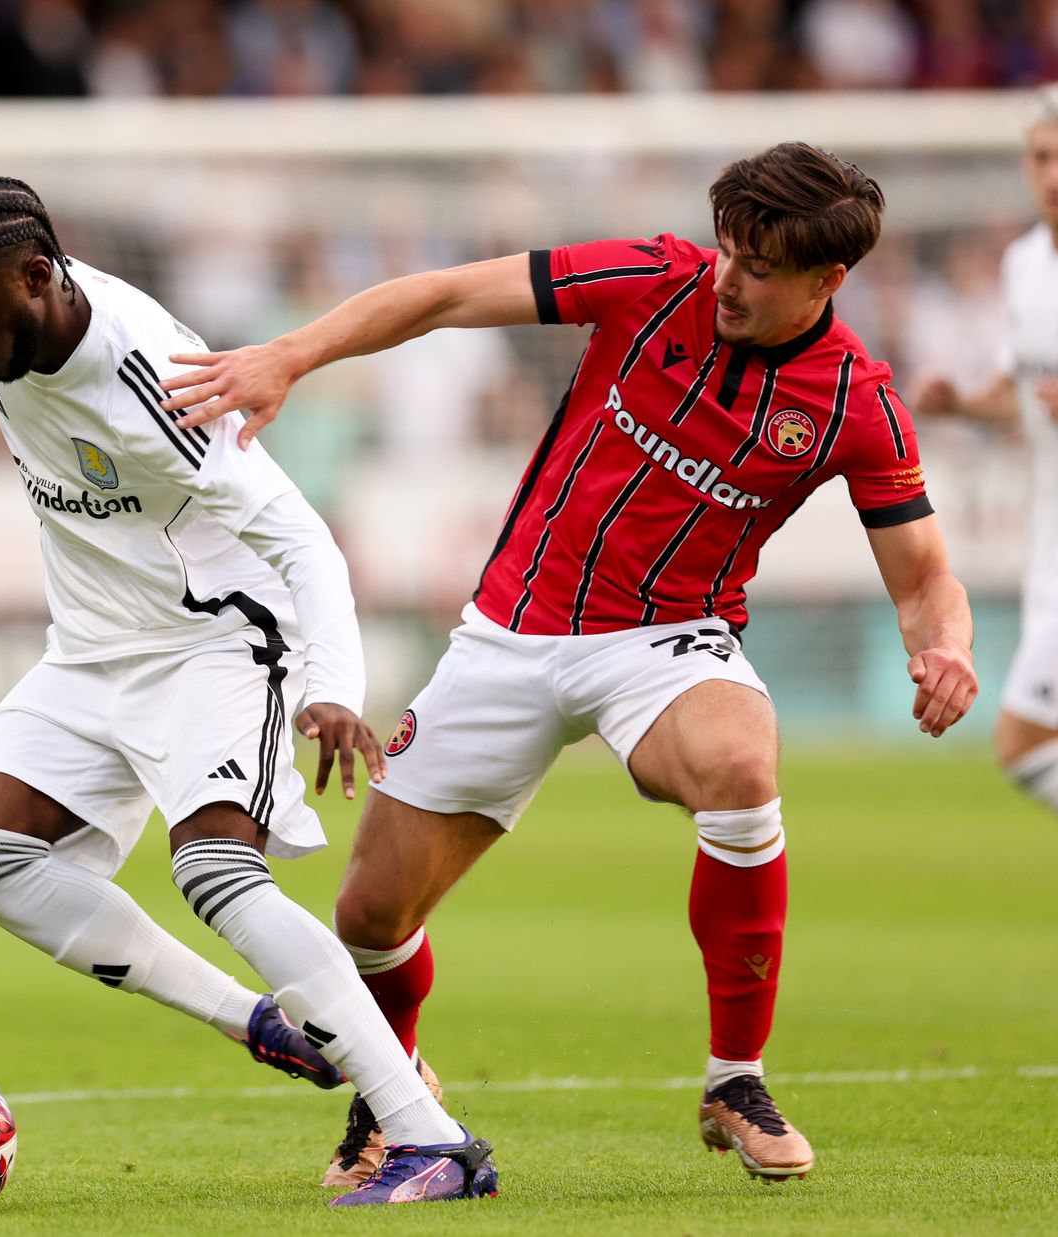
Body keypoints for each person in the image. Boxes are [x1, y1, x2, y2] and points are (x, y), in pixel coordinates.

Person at [161, 141, 977, 1184]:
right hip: (510, 631)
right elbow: (448, 294)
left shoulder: (854, 403)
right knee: (368, 918)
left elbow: (923, 578)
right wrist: (291, 353)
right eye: (729, 249)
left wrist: (944, 643)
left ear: (829, 281)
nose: (729, 278)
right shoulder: (650, 277)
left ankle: (736, 1077)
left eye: (761, 267)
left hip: (665, 641)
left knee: (740, 765)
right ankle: (396, 1087)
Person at [0, 176, 497, 1207]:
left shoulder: (152, 381)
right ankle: (257, 1019)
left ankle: (430, 1137)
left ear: (38, 278)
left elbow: (300, 538)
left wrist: (334, 685)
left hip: (214, 643)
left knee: (217, 872)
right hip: (90, 647)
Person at [913, 87, 1058, 826]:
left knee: (1023, 741)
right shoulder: (1026, 263)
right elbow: (1024, 392)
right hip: (1048, 545)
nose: (1054, 176)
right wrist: (962, 404)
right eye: (1041, 157)